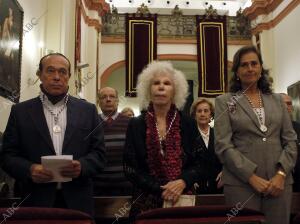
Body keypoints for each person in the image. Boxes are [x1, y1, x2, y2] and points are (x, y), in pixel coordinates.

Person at [0, 53, 106, 216]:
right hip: (35, 200)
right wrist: (30, 169)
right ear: (39, 75)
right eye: (50, 71)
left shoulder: (88, 110)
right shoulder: (20, 111)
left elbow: (99, 154)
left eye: (63, 72)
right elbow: (7, 155)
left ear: (69, 76)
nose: (57, 77)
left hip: (78, 202)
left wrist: (82, 166)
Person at [214, 46, 297, 224]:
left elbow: (290, 141)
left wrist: (281, 174)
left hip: (279, 184)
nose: (250, 68)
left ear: (261, 68)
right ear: (236, 71)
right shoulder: (225, 102)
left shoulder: (277, 100)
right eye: (244, 65)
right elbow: (223, 145)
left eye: (254, 63)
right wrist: (251, 177)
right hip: (241, 184)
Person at [123, 61, 208, 220]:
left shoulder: (188, 123)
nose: (161, 87)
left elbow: (201, 162)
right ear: (149, 89)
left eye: (167, 83)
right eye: (156, 83)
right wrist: (161, 188)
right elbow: (130, 168)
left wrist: (183, 181)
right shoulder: (136, 124)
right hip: (145, 201)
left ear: (175, 90)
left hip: (182, 198)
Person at [94, 87, 132, 195]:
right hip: (97, 185)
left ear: (117, 101)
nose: (108, 99)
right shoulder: (92, 123)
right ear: (99, 102)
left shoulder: (130, 123)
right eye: (104, 97)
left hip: (125, 185)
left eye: (112, 96)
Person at [190, 98, 222, 194]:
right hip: (196, 186)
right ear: (194, 115)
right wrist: (189, 180)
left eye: (206, 111)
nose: (202, 114)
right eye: (199, 111)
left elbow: (227, 156)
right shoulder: (188, 135)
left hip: (219, 185)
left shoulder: (219, 134)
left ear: (211, 114)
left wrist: (225, 172)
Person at [280, 93, 300, 192]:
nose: (287, 107)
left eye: (289, 104)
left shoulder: (298, 127)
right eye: (283, 104)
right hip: (276, 179)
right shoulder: (268, 129)